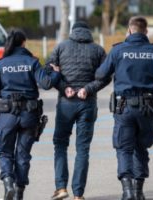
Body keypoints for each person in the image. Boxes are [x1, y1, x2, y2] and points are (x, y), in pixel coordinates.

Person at [95, 16, 153, 200]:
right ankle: (139, 192)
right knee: (141, 148)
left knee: (124, 148)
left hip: (124, 107)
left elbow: (101, 73)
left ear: (130, 30)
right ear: (146, 32)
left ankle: (127, 192)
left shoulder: (118, 50)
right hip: (147, 109)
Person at [0, 29, 60, 200]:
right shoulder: (32, 62)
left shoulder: (1, 64)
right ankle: (19, 193)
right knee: (23, 154)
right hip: (29, 115)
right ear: (23, 43)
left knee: (5, 152)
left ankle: (8, 181)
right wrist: (55, 72)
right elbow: (46, 84)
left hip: (6, 116)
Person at [46, 21, 110, 200]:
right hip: (87, 103)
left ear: (73, 31)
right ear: (89, 32)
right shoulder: (98, 50)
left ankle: (61, 188)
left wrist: (64, 87)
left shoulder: (61, 47)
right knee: (83, 149)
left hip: (66, 104)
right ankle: (78, 195)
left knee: (60, 144)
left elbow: (49, 71)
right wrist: (88, 89)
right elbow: (106, 77)